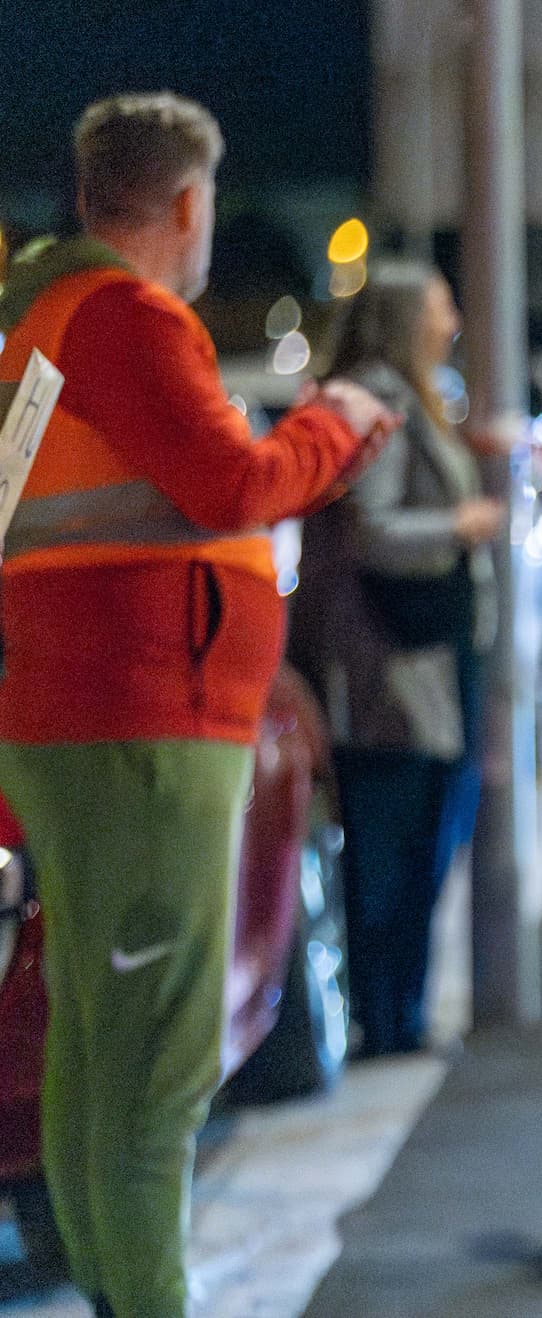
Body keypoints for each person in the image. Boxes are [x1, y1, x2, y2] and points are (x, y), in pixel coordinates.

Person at [0, 92, 393, 1318]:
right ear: (185, 201)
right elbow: (233, 481)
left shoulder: (40, 318)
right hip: (146, 720)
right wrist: (338, 423)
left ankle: (119, 1291)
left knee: (94, 1047)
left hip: (85, 715)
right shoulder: (124, 314)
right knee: (158, 1059)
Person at [290, 258, 503, 1058]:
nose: (453, 321)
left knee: (410, 842)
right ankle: (389, 1021)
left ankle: (395, 1016)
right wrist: (461, 524)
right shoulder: (377, 397)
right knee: (399, 846)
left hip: (410, 658)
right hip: (391, 665)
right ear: (409, 319)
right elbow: (372, 531)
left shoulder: (397, 397)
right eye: (442, 306)